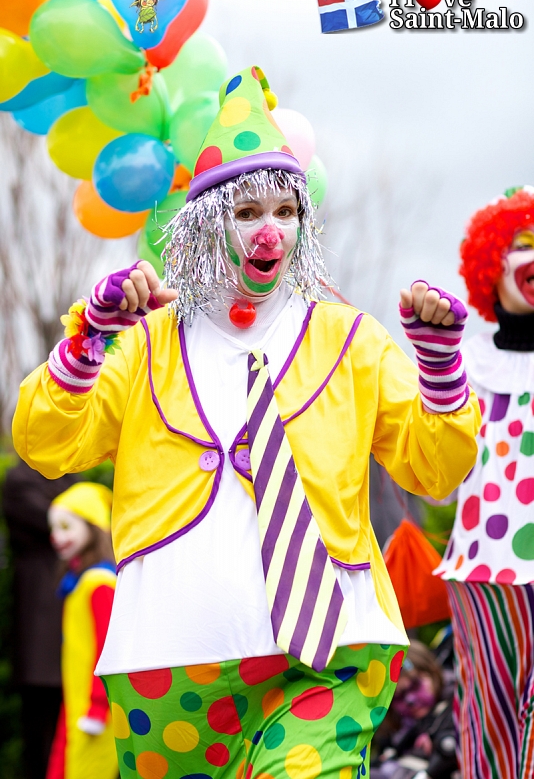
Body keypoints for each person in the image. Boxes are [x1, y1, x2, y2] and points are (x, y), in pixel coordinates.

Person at [13, 66, 480, 779]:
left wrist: (441, 366)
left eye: (286, 212)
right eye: (248, 211)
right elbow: (45, 444)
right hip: (169, 663)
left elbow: (437, 468)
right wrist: (88, 344)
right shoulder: (147, 342)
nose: (270, 231)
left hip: (330, 654)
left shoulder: (350, 339)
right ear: (205, 221)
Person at [435, 186, 534, 779]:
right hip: (484, 566)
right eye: (522, 244)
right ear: (489, 265)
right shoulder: (465, 364)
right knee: (490, 719)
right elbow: (438, 475)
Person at [2, 461, 79, 779]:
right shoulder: (20, 478)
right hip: (39, 613)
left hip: (75, 607)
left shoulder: (72, 474)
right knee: (41, 720)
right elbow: (62, 520)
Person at [44, 482, 117, 779]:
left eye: (65, 526)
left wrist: (97, 707)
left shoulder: (99, 583)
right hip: (76, 704)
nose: (56, 536)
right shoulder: (80, 581)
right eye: (53, 528)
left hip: (94, 712)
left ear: (93, 527)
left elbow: (107, 648)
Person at [371, 640, 457, 779]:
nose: (409, 700)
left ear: (431, 672)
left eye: (414, 686)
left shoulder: (458, 704)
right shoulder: (397, 735)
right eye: (398, 697)